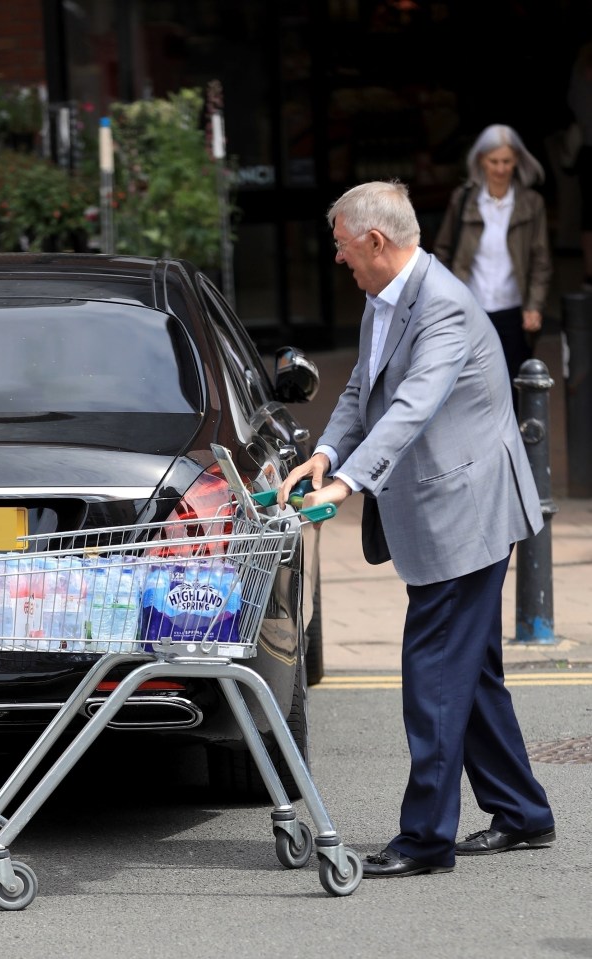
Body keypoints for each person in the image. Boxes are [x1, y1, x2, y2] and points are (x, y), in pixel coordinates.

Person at [278, 180, 555, 878]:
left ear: (376, 241)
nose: (339, 260)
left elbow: (408, 409)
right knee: (472, 671)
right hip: (446, 506)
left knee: (432, 669)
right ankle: (523, 812)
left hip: (469, 511)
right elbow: (361, 390)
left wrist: (347, 484)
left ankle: (426, 838)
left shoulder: (445, 310)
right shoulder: (385, 298)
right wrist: (326, 452)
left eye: (343, 248)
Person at [433, 124, 552, 407]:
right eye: (493, 161)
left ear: (517, 162)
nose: (500, 168)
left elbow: (541, 260)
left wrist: (534, 305)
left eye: (507, 161)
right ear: (480, 161)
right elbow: (442, 251)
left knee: (513, 389)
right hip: (470, 308)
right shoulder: (463, 200)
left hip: (513, 311)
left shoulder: (531, 203)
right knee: (469, 387)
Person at [568, 41, 592, 288]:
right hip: (589, 148)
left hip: (587, 148)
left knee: (588, 215)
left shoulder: (580, 69)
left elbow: (575, 105)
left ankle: (589, 273)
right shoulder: (583, 67)